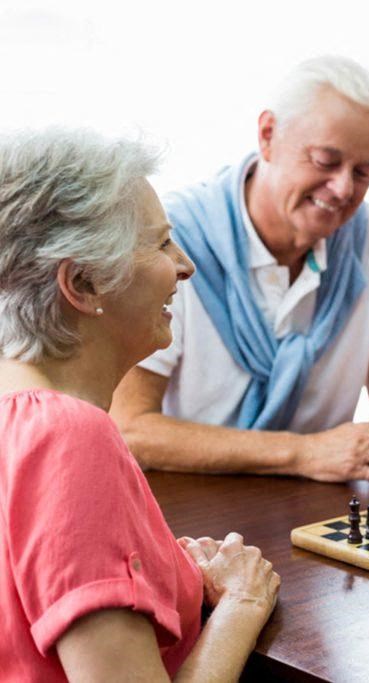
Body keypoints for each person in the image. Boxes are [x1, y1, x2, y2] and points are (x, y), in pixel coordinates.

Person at [0, 129, 280, 680]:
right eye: (160, 244)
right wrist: (244, 604)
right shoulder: (68, 436)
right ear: (83, 283)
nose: (185, 266)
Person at [111, 56, 369, 485]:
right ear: (268, 135)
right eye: (326, 161)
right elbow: (131, 427)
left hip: (318, 512)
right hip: (192, 516)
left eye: (363, 172)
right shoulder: (173, 241)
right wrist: (306, 453)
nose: (344, 188)